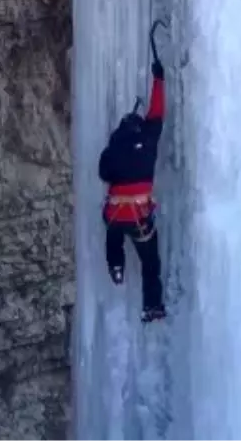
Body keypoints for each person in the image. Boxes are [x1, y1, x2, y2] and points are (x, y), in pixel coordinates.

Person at [97, 38, 167, 323]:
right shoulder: (148, 139)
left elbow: (103, 173)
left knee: (112, 234)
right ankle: (152, 306)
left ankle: (116, 266)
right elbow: (157, 111)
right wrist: (158, 78)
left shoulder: (113, 148)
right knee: (151, 263)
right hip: (140, 217)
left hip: (117, 214)